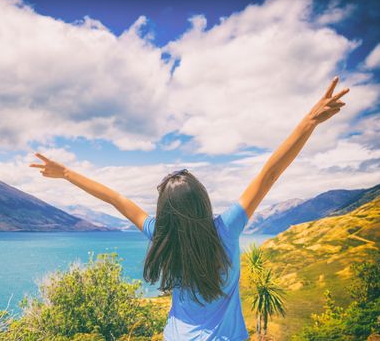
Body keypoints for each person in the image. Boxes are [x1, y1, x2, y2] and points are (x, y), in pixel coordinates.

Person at [29, 76, 350, 340]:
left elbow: (116, 199)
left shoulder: (161, 236)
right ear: (203, 201)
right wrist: (309, 121)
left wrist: (67, 173)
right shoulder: (226, 228)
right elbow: (270, 173)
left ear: (165, 212)